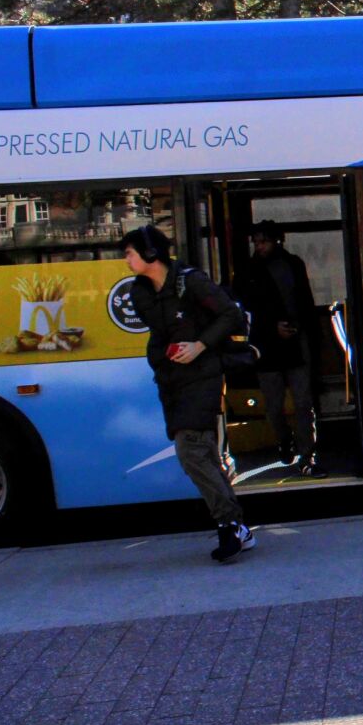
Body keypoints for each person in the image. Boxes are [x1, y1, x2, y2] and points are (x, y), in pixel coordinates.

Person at [122, 226, 255, 563]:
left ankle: (228, 524)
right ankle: (239, 527)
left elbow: (231, 315)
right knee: (203, 452)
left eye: (130, 252)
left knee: (190, 450)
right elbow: (158, 332)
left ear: (151, 254)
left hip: (202, 374)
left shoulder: (191, 281)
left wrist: (199, 345)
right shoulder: (139, 292)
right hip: (170, 380)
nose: (126, 259)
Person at [236, 221, 322, 475]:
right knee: (273, 405)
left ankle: (308, 453)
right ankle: (285, 440)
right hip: (266, 345)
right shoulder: (248, 270)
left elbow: (304, 302)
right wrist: (272, 327)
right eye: (256, 242)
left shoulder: (293, 264)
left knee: (303, 403)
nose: (259, 246)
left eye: (263, 241)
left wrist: (301, 329)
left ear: (277, 241)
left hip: (295, 339)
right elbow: (245, 308)